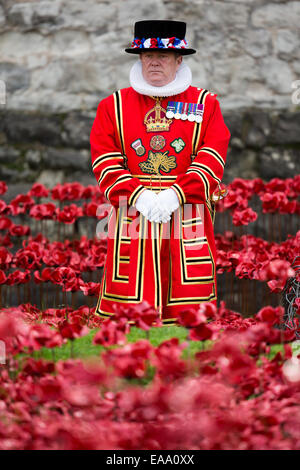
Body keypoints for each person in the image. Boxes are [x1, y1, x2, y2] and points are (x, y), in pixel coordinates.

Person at [90, 20, 231, 324]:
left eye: (163, 56)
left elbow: (213, 154)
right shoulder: (111, 106)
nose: (154, 61)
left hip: (187, 209)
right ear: (139, 58)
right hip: (132, 212)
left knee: (189, 311)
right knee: (127, 312)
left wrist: (176, 194)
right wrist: (136, 196)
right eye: (147, 55)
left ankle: (188, 360)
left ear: (179, 60)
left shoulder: (206, 103)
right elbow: (104, 159)